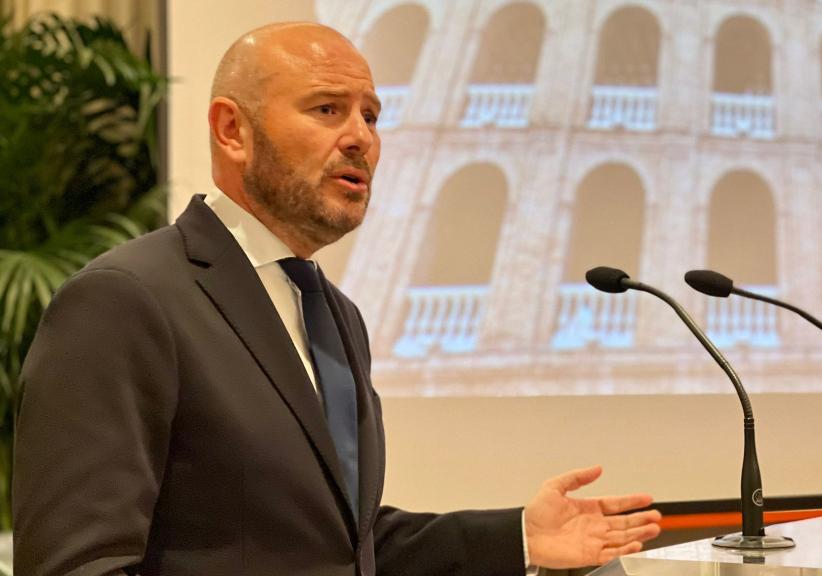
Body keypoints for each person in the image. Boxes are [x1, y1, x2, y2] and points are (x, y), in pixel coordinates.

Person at [12, 21, 661, 576]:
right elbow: (80, 563)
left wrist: (519, 536)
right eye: (327, 110)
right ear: (232, 130)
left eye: (372, 115)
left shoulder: (334, 313)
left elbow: (343, 542)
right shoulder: (126, 300)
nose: (362, 138)